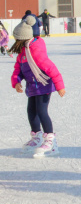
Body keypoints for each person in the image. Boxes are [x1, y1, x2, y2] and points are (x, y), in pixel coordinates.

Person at [10, 16, 66, 157]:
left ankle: (50, 142)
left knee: (42, 112)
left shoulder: (35, 51)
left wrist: (60, 86)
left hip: (44, 85)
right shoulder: (23, 52)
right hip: (32, 87)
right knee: (31, 111)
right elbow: (19, 69)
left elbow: (51, 68)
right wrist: (16, 81)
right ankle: (37, 138)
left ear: (23, 38)